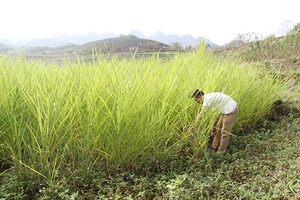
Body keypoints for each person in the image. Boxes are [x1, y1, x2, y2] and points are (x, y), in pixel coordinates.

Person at [190, 89, 238, 153]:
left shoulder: (207, 100)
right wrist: (213, 127)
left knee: (224, 132)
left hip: (231, 110)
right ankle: (214, 147)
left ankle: (221, 151)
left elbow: (201, 114)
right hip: (224, 110)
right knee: (218, 129)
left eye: (196, 100)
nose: (197, 102)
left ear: (199, 97)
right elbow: (215, 114)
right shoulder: (210, 98)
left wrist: (193, 127)